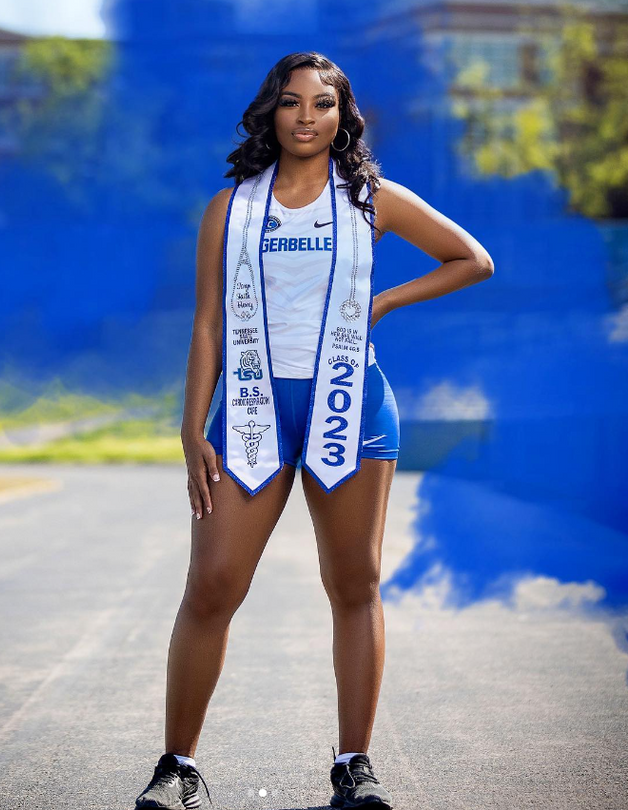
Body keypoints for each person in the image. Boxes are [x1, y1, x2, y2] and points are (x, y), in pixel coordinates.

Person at [135, 51, 494, 810]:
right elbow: (205, 326)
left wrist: (387, 302)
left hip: (351, 407)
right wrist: (191, 426)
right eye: (292, 102)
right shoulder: (229, 209)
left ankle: (355, 764)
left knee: (355, 584)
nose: (307, 117)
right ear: (271, 111)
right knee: (211, 586)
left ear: (343, 115)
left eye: (323, 104)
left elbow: (472, 260)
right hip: (251, 412)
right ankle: (177, 768)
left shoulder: (373, 200)